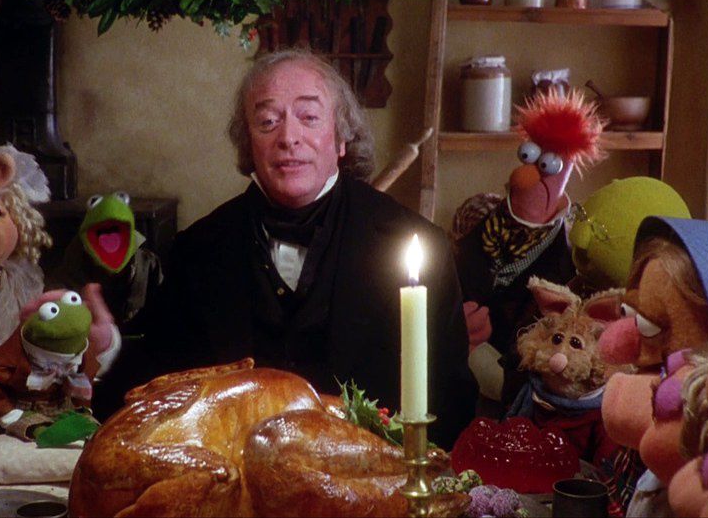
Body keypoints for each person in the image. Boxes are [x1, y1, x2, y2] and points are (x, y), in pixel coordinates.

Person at [103, 50, 476, 448]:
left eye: (309, 117)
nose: (288, 137)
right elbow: (151, 393)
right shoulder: (196, 250)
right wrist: (107, 350)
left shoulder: (419, 245)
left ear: (341, 137)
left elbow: (451, 405)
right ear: (248, 143)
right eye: (268, 121)